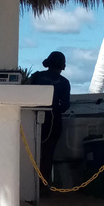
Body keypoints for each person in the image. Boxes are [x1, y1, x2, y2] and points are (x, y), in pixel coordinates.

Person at [27, 51, 71, 190]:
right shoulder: (64, 82)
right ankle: (43, 187)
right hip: (53, 121)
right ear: (62, 66)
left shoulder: (36, 76)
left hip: (32, 118)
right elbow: (64, 106)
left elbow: (25, 95)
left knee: (30, 152)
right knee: (47, 155)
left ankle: (29, 186)